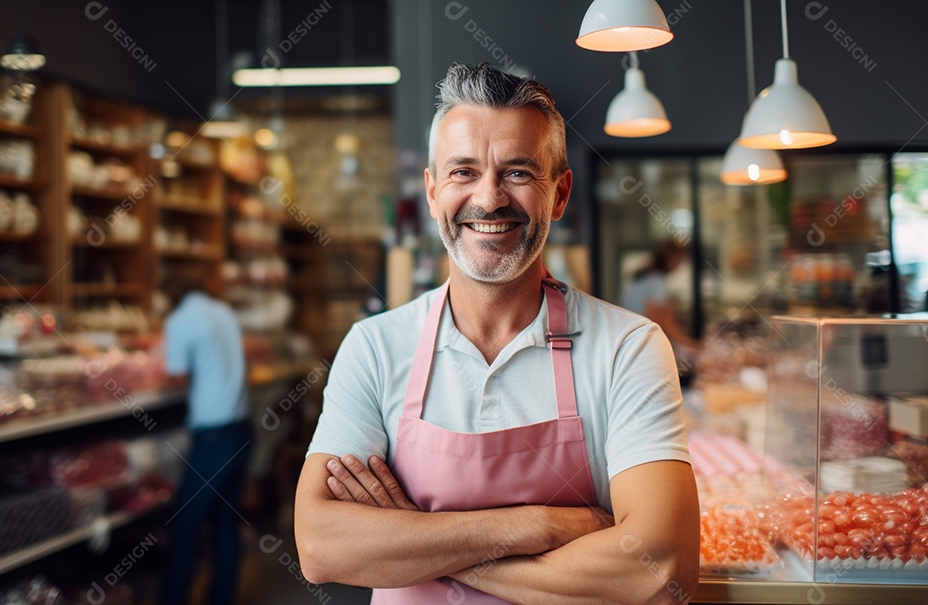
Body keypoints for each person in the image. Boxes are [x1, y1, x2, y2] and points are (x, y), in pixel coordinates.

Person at [294, 63, 699, 604]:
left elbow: (660, 571)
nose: (489, 199)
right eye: (463, 172)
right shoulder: (375, 347)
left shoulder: (628, 347)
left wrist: (418, 547)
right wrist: (539, 526)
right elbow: (322, 547)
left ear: (559, 194)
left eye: (518, 173)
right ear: (433, 192)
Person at [159, 276, 252, 605]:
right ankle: (221, 598)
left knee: (186, 525)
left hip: (214, 435)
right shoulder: (223, 311)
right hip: (241, 426)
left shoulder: (180, 320)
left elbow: (176, 377)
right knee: (225, 522)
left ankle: (173, 598)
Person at [620, 239, 703, 356]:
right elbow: (657, 318)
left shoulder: (643, 277)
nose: (679, 266)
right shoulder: (656, 280)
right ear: (670, 256)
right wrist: (688, 343)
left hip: (631, 340)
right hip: (643, 343)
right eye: (680, 260)